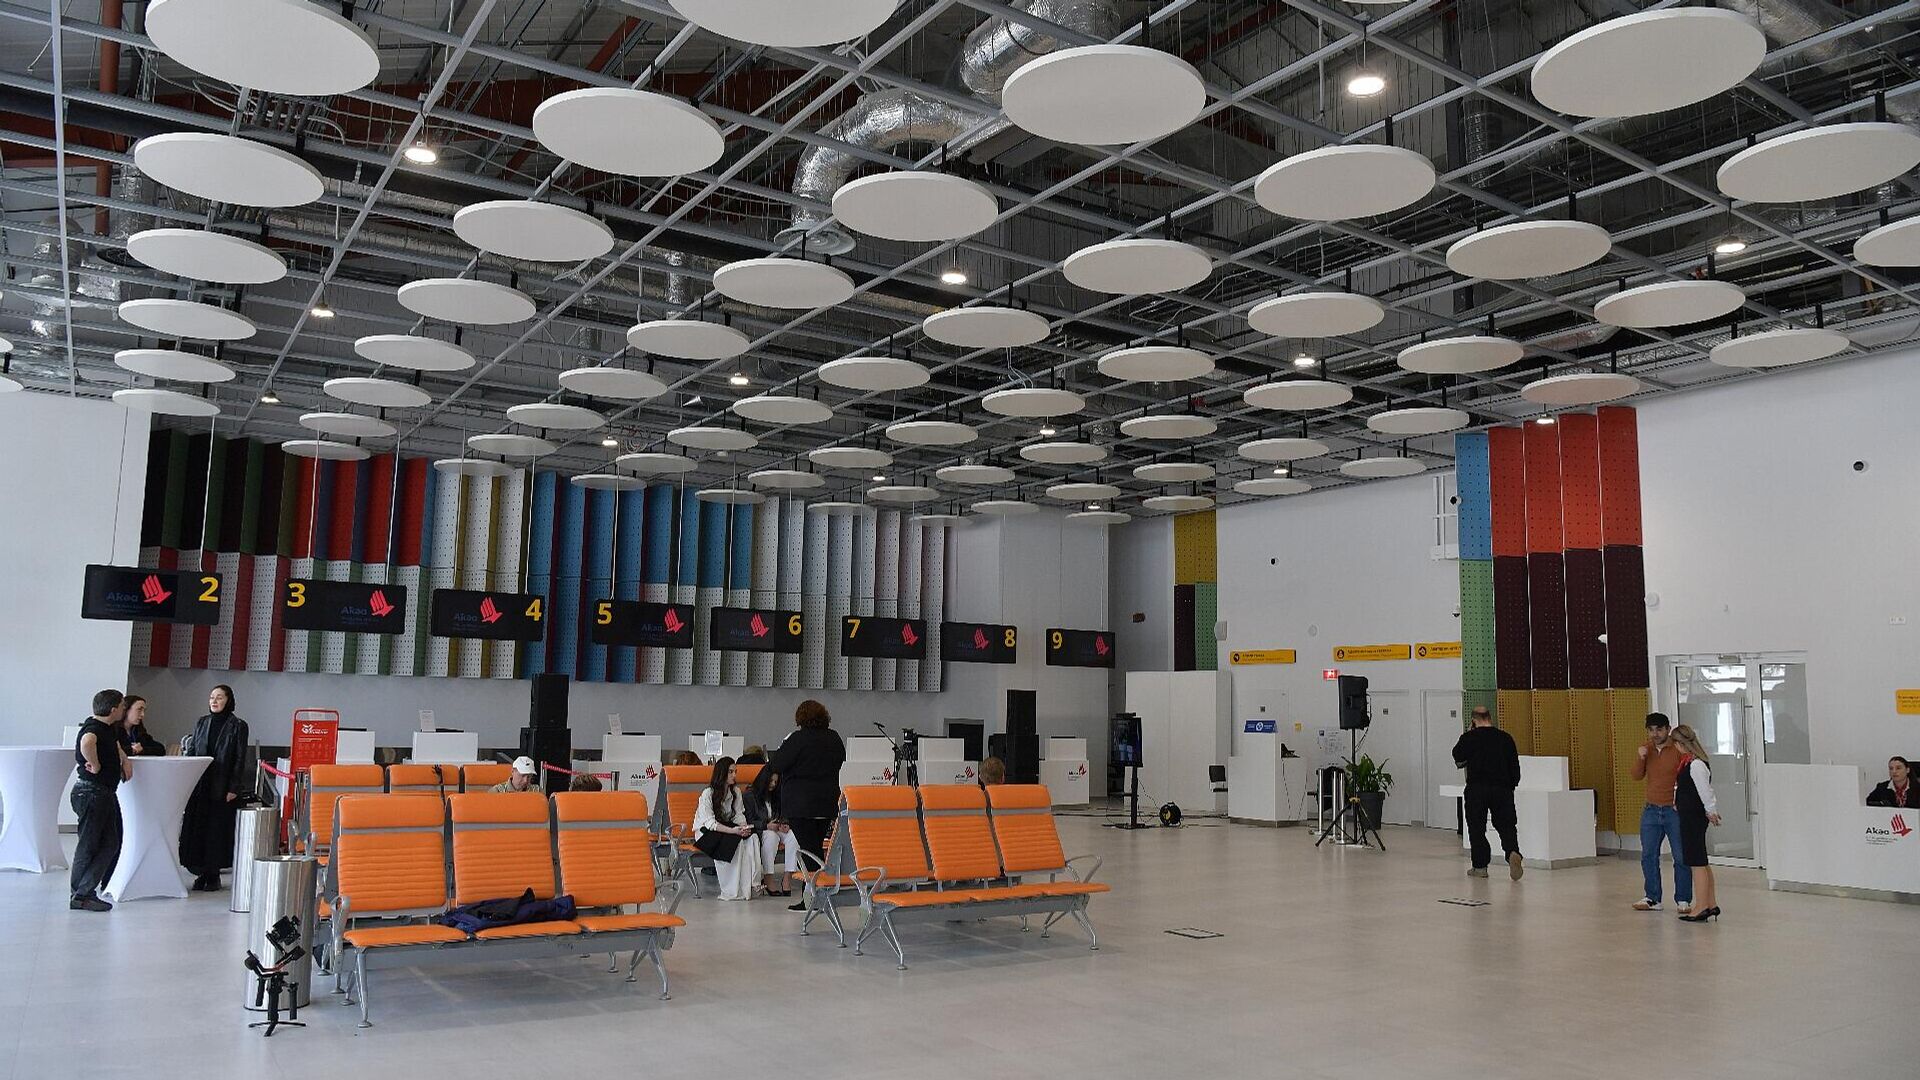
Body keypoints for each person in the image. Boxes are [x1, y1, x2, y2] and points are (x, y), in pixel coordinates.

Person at [766, 699, 847, 911]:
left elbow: (777, 764)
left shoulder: (797, 739)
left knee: (809, 851)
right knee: (815, 848)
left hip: (801, 804)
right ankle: (813, 895)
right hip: (826, 802)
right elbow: (841, 759)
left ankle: (814, 897)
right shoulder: (834, 737)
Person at [179, 684, 251, 893]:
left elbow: (239, 758)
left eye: (219, 697)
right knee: (199, 829)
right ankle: (201, 871)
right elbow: (193, 750)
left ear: (228, 700)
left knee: (217, 831)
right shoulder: (202, 722)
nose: (214, 701)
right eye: (212, 697)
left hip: (222, 786)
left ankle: (213, 874)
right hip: (200, 784)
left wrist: (234, 787)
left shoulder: (238, 725)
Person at [71, 689, 131, 912]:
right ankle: (81, 894)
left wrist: (124, 760)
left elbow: (115, 746)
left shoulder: (106, 728)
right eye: (122, 706)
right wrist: (95, 764)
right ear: (113, 709)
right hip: (92, 792)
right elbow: (87, 742)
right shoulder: (93, 728)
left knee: (109, 843)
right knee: (90, 845)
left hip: (101, 792)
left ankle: (84, 891)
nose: (124, 709)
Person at [1451, 705, 1524, 880]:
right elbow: (1515, 769)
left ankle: (1480, 867)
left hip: (1477, 789)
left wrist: (1469, 734)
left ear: (1473, 720)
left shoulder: (1469, 738)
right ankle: (1512, 852)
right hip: (1502, 789)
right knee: (1506, 825)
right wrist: (1510, 786)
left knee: (1476, 827)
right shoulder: (1505, 738)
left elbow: (1457, 757)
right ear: (1490, 718)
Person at [1630, 712, 1692, 914]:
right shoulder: (1646, 749)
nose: (1655, 734)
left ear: (1667, 729)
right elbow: (1636, 776)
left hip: (1674, 811)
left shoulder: (1677, 749)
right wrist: (1641, 758)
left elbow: (1687, 776)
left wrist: (1682, 802)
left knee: (1680, 856)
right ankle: (1652, 898)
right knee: (1648, 855)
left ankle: (1683, 899)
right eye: (1651, 730)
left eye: (1659, 729)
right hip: (1651, 809)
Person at [1671, 724, 1722, 923]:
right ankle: (1710, 903)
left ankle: (1701, 906)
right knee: (1701, 860)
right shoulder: (1690, 762)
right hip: (1690, 815)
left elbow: (1704, 790)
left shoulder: (1696, 765)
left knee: (1696, 862)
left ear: (1679, 743)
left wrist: (1711, 810)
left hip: (1693, 816)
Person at [693, 757, 762, 900]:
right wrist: (734, 831)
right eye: (730, 772)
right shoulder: (708, 793)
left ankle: (752, 884)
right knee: (735, 842)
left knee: (752, 838)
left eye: (735, 771)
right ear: (722, 773)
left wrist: (743, 828)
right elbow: (710, 823)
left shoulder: (735, 791)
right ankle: (731, 889)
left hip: (726, 827)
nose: (734, 775)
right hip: (706, 832)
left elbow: (738, 815)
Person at [745, 767, 797, 897]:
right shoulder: (749, 796)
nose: (773, 784)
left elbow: (783, 813)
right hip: (760, 830)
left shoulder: (776, 795)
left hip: (775, 826)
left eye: (775, 782)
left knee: (793, 836)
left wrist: (784, 823)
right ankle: (768, 878)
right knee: (771, 836)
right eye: (771, 781)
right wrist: (766, 825)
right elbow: (748, 821)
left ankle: (787, 878)